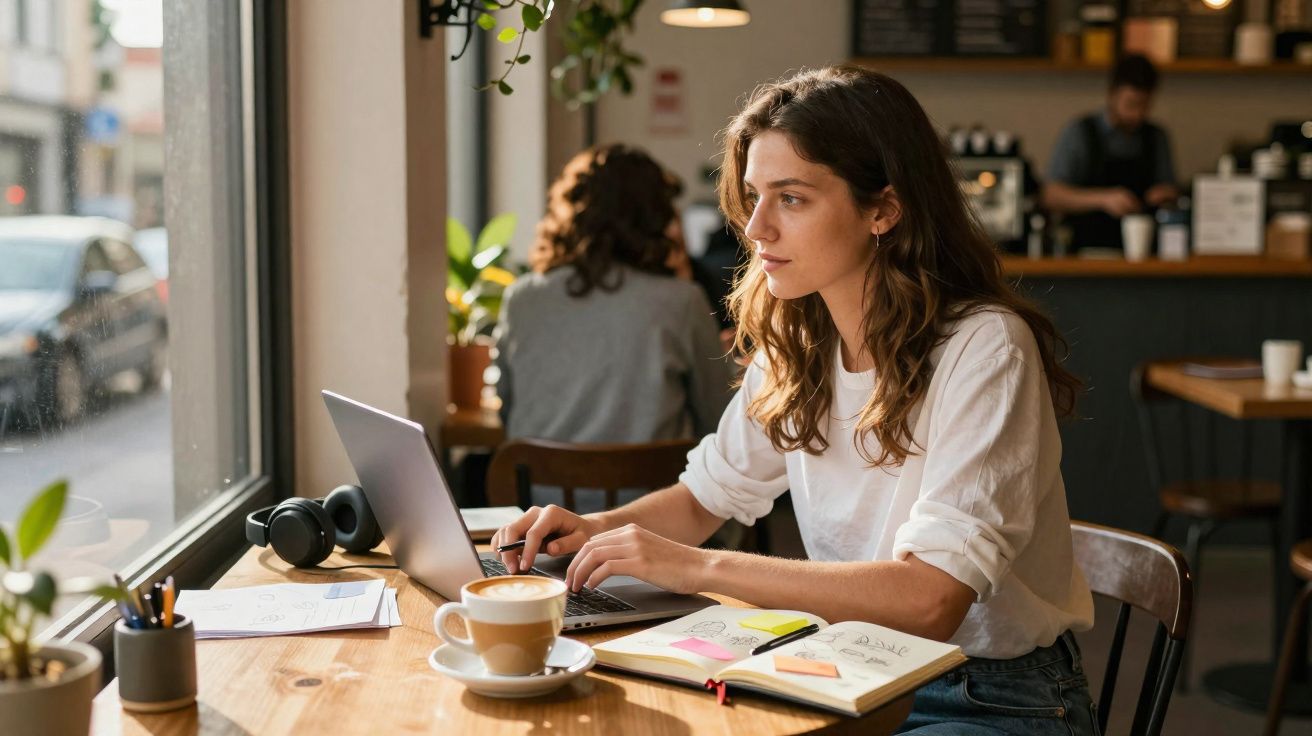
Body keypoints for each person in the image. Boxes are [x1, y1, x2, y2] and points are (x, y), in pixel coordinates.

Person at [493, 66, 1099, 734]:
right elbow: (703, 499)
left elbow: (931, 599)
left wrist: (697, 566)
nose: (756, 227)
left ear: (883, 210)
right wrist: (593, 532)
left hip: (985, 695)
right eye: (754, 196)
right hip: (848, 666)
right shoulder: (798, 345)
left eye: (791, 199)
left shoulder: (984, 347)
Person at [493, 144, 735, 488]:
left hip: (539, 511)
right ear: (655, 217)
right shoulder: (681, 301)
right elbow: (718, 420)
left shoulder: (521, 299)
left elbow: (507, 408)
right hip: (650, 511)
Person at [1042, 54, 1180, 252]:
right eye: (1131, 104)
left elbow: (1172, 190)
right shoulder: (1081, 132)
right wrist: (1103, 199)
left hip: (1144, 252)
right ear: (1112, 94)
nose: (1137, 114)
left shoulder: (1156, 136)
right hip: (1086, 251)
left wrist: (1164, 194)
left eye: (1145, 106)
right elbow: (1051, 195)